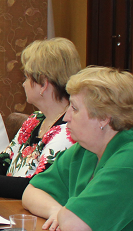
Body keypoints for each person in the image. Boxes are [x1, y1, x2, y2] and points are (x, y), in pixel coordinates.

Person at [0, 38, 79, 198]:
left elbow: (36, 187)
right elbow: (5, 160)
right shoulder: (36, 119)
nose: (23, 84)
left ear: (43, 84)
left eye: (27, 77)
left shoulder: (67, 131)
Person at [23, 67, 133, 231]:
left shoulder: (127, 160)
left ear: (103, 118)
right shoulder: (86, 148)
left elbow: (75, 225)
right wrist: (58, 212)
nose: (66, 117)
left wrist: (67, 216)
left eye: (74, 108)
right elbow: (31, 192)